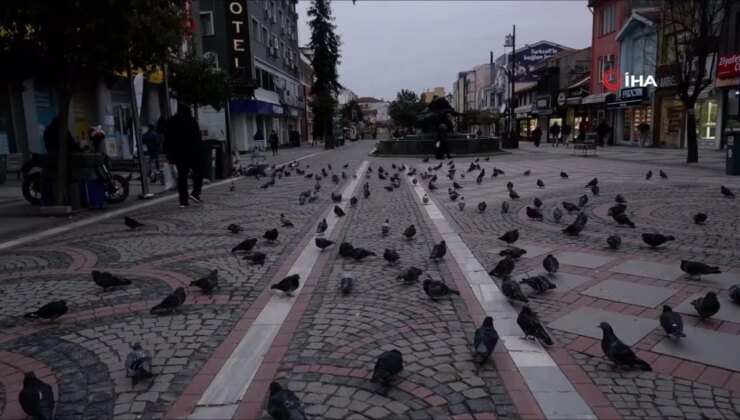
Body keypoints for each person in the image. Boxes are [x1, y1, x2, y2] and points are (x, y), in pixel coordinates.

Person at [164, 103, 203, 208]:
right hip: (193, 153)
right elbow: (197, 138)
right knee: (198, 172)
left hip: (179, 154)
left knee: (182, 177)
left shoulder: (172, 121)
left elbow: (168, 139)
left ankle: (183, 201)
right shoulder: (191, 121)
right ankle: (195, 192)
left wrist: (169, 154)